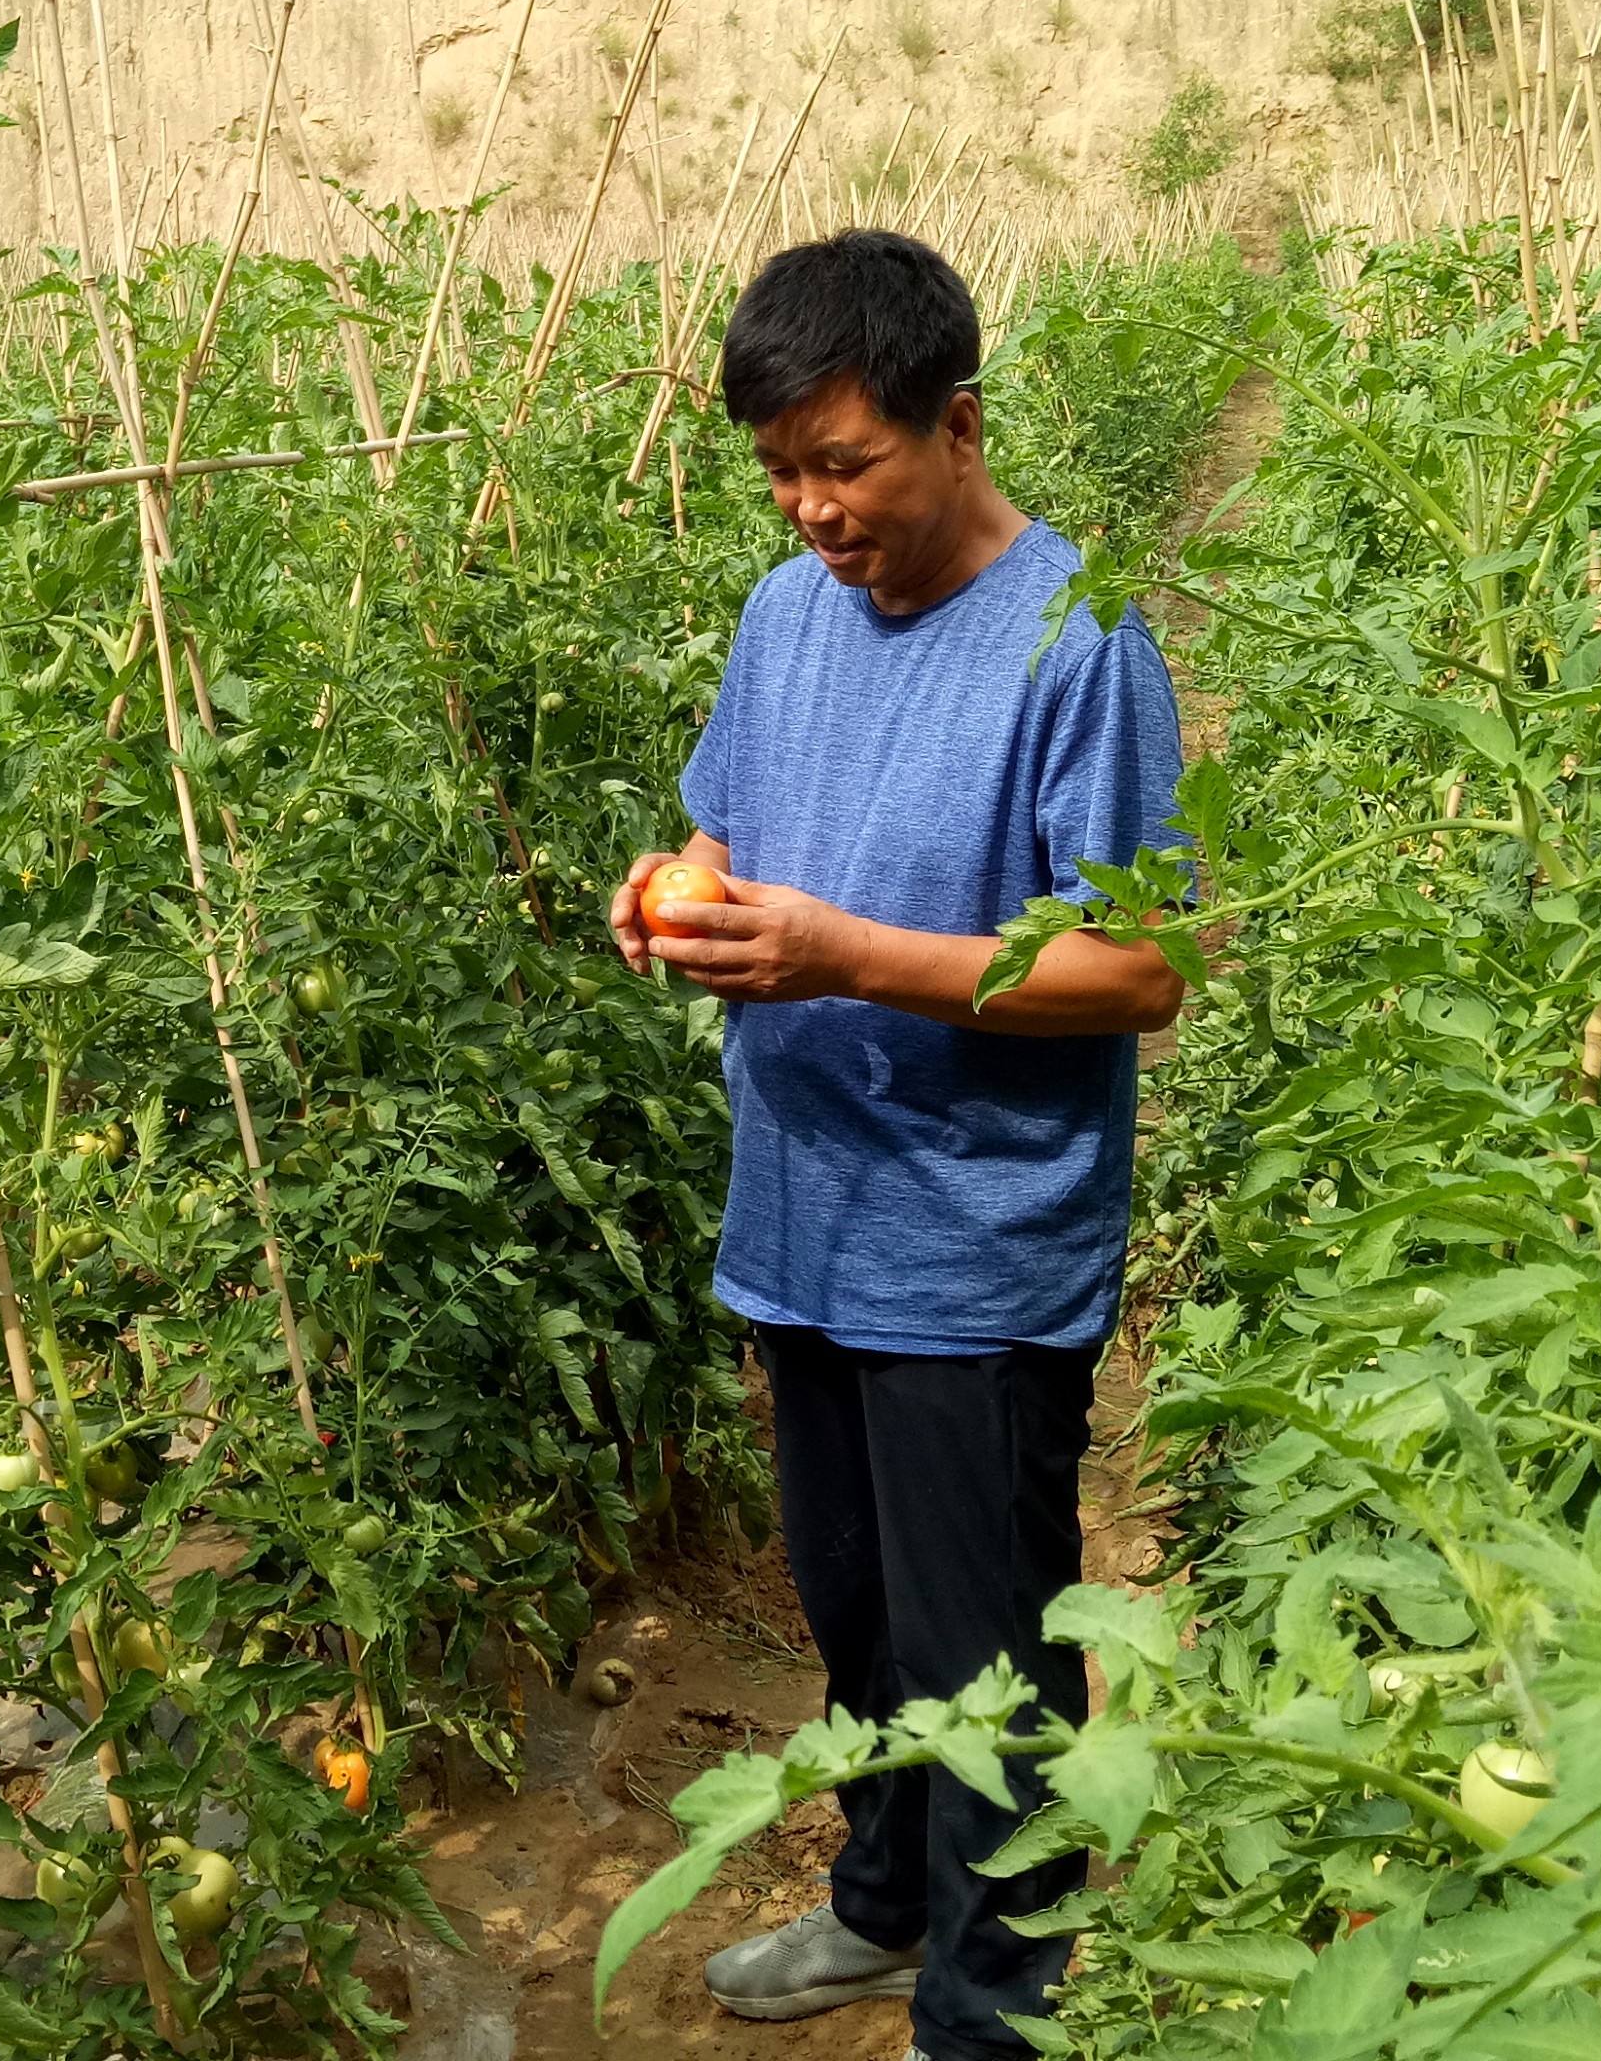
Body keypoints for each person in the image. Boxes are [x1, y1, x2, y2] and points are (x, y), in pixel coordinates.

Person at [606, 229, 1185, 2061]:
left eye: (843, 465)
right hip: (804, 1219)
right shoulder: (785, 616)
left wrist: (845, 953)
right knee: (857, 1618)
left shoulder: (1079, 644)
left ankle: (991, 2007)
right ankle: (880, 1906)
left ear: (960, 422)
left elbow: (1141, 968)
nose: (812, 510)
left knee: (981, 1661)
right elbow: (723, 828)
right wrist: (674, 890)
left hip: (973, 1242)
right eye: (781, 472)